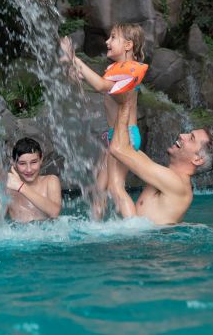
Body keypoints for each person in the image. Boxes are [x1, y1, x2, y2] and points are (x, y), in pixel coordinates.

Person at [60, 23, 148, 220]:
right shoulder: (116, 69)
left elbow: (100, 85)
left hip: (125, 135)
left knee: (116, 187)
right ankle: (95, 227)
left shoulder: (130, 71)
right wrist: (74, 70)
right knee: (99, 189)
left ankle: (134, 228)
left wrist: (74, 58)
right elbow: (97, 82)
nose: (107, 41)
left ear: (128, 45)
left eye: (113, 37)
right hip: (114, 135)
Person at [108, 91, 213, 225]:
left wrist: (124, 105)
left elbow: (118, 149)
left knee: (116, 185)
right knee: (115, 186)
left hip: (145, 242)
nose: (182, 135)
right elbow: (129, 146)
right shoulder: (171, 178)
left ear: (197, 159)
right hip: (140, 237)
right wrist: (131, 93)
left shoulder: (176, 183)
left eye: (191, 138)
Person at [0, 137, 62, 223]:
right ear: (14, 163)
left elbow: (54, 212)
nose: (29, 169)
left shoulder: (50, 181)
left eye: (34, 162)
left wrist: (20, 187)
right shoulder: (8, 190)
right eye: (22, 163)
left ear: (41, 159)